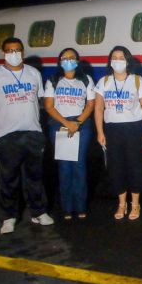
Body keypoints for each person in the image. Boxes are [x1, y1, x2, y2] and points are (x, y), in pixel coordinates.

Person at [0, 37, 53, 234]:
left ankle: (38, 211)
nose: (14, 54)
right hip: (6, 135)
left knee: (34, 177)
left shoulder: (33, 73)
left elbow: (39, 99)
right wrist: (2, 111)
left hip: (33, 132)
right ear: (4, 53)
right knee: (8, 178)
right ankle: (8, 217)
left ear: (23, 52)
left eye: (17, 50)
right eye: (10, 50)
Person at [94, 46, 142, 221]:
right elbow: (98, 108)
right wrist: (100, 131)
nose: (117, 60)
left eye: (121, 57)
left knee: (136, 166)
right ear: (110, 61)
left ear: (128, 60)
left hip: (135, 128)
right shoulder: (103, 82)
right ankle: (121, 204)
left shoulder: (137, 80)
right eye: (114, 57)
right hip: (113, 130)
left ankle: (135, 203)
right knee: (116, 167)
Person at [44, 48, 95, 221]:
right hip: (60, 124)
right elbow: (49, 106)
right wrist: (67, 124)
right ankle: (67, 207)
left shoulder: (86, 80)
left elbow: (90, 104)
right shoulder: (53, 80)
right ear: (59, 61)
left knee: (79, 165)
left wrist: (78, 122)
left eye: (72, 58)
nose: (68, 60)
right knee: (64, 166)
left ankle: (80, 206)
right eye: (64, 58)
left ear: (78, 61)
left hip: (82, 124)